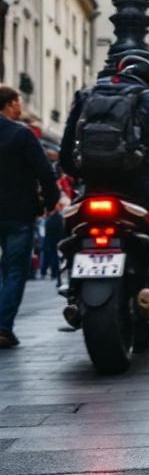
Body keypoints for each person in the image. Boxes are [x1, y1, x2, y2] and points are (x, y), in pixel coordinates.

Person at [60, 56, 149, 293]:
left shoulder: (86, 96)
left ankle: (72, 276)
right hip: (142, 187)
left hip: (94, 186)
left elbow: (66, 151)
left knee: (73, 226)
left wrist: (79, 176)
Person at [0, 86, 60, 348]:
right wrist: (49, 201)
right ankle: (3, 327)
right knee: (15, 270)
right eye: (19, 101)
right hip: (17, 213)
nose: (20, 106)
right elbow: (45, 172)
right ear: (10, 104)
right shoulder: (21, 134)